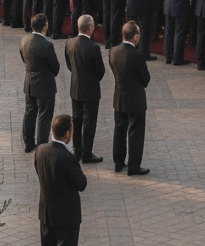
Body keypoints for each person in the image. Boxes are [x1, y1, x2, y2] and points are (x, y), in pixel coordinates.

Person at [34, 113, 87, 246]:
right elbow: (81, 184)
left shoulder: (40, 150)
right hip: (66, 217)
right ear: (68, 133)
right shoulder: (68, 158)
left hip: (46, 214)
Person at [109, 20, 150, 176]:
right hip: (135, 99)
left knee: (119, 129)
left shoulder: (113, 51)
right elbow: (145, 79)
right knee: (135, 132)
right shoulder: (137, 55)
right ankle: (134, 166)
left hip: (119, 96)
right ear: (136, 36)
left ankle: (118, 163)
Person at [64, 15, 105, 164]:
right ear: (92, 28)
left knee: (77, 119)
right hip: (91, 90)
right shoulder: (94, 47)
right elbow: (100, 70)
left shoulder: (69, 42)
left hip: (75, 88)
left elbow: (69, 65)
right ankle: (87, 153)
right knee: (89, 121)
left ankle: (77, 151)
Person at [20, 13, 60, 152]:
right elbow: (55, 67)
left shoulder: (24, 40)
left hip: (29, 83)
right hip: (44, 85)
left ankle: (28, 143)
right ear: (45, 26)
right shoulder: (47, 45)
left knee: (30, 112)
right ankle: (41, 145)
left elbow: (24, 59)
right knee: (44, 116)